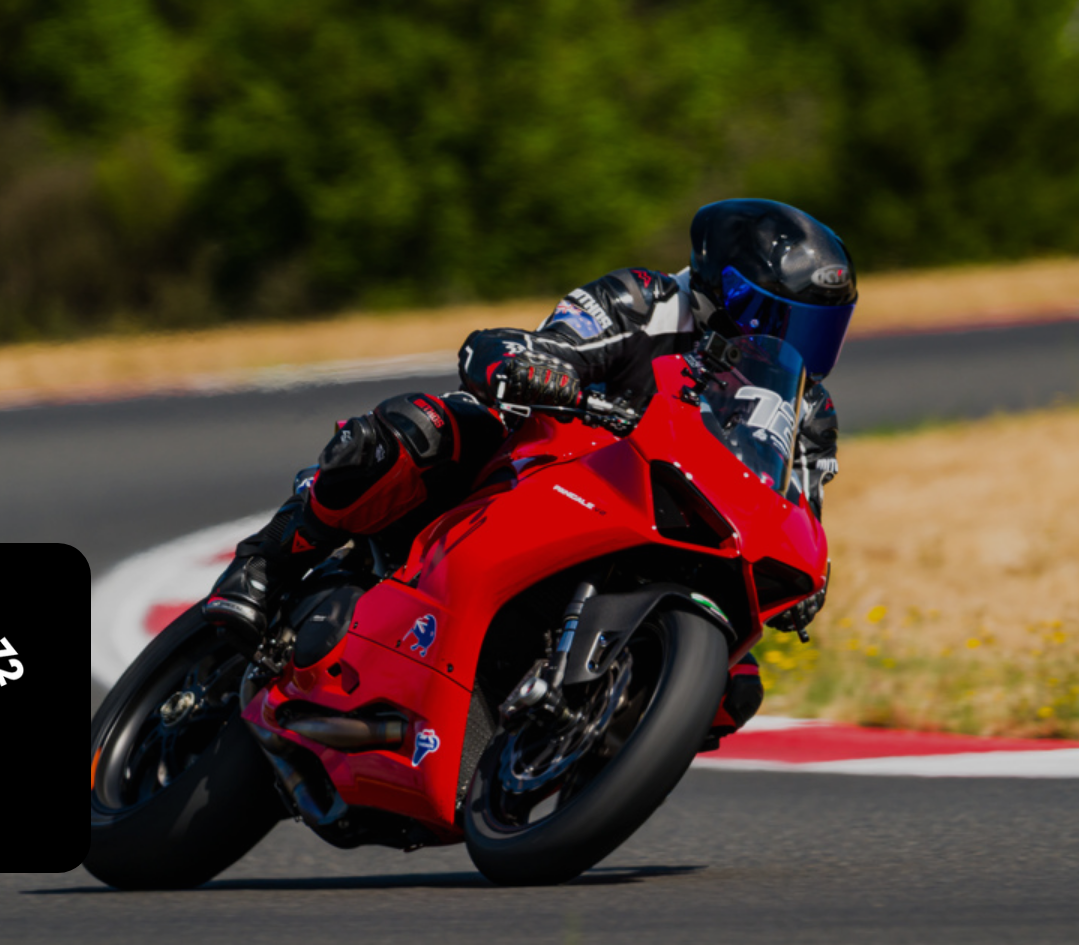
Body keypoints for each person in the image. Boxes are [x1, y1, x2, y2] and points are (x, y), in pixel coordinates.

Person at [203, 199, 856, 739]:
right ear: (726, 291)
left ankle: (564, 751)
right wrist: (537, 367)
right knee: (416, 431)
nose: (793, 340)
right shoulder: (646, 300)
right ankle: (267, 563)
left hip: (671, 525)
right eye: (779, 317)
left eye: (815, 328)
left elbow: (796, 503)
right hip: (547, 460)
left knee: (733, 688)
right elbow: (544, 345)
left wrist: (805, 577)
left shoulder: (806, 409)